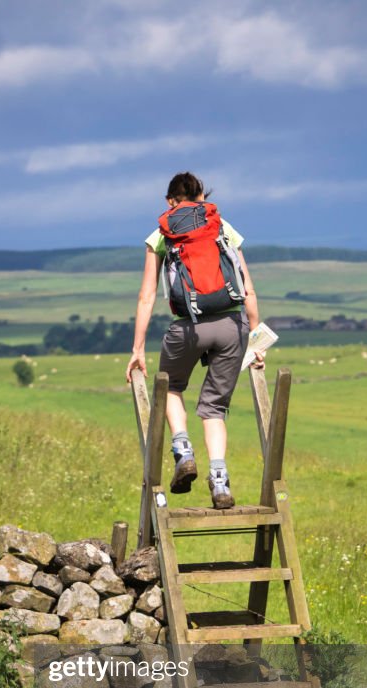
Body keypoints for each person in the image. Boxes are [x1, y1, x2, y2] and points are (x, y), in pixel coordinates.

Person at [125, 172, 263, 509]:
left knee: (170, 386)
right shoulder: (222, 227)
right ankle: (219, 483)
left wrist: (138, 349)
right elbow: (247, 288)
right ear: (202, 197)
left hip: (187, 326)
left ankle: (183, 451)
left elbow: (146, 296)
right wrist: (255, 341)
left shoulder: (161, 234)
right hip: (231, 326)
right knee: (214, 408)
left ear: (170, 201)